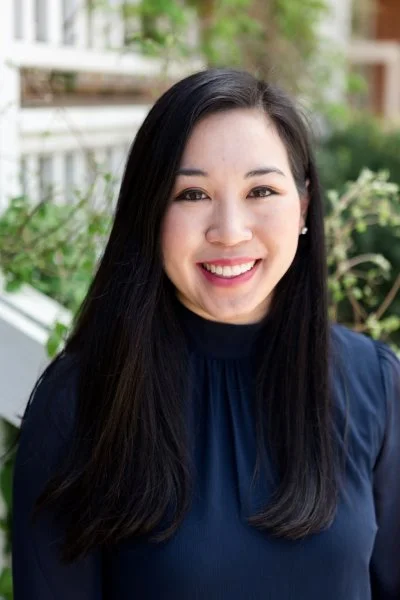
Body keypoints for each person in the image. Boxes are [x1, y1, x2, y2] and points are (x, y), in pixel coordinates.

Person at [12, 68, 400, 600]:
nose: (230, 231)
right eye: (192, 195)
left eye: (261, 189)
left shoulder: (374, 384)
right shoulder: (79, 403)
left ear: (304, 206)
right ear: (150, 213)